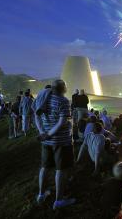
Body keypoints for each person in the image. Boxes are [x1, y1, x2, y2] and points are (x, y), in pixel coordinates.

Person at [34, 79, 75, 209]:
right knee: (61, 170)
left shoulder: (42, 98)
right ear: (63, 88)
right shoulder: (63, 101)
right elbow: (61, 122)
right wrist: (49, 134)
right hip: (61, 141)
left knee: (44, 167)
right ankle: (59, 200)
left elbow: (36, 115)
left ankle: (41, 194)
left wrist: (42, 132)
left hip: (46, 140)